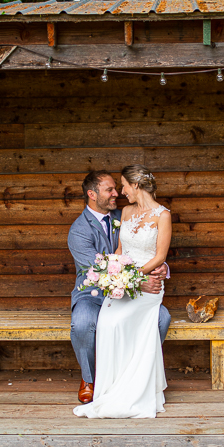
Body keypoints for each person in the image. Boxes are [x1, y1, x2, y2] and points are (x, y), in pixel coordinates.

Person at [73, 164, 172, 418]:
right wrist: (139, 281)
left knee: (162, 319)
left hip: (133, 287)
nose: (117, 193)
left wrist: (161, 269)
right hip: (93, 292)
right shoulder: (79, 230)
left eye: (119, 187)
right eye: (110, 189)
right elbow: (100, 268)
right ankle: (90, 380)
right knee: (85, 323)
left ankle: (138, 376)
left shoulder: (123, 214)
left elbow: (151, 251)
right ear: (92, 195)